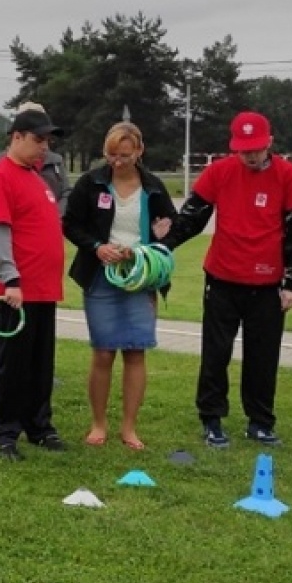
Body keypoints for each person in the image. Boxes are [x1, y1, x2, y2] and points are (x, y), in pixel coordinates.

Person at [161, 112, 292, 448]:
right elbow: (192, 218)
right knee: (216, 352)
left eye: (255, 149)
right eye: (244, 150)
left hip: (268, 282)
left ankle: (260, 421)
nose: (250, 155)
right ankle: (211, 419)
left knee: (263, 354)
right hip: (223, 277)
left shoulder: (288, 175)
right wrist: (162, 247)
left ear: (269, 143)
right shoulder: (220, 171)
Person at [63, 122, 176, 449]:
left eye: (124, 155)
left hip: (140, 279)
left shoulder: (153, 187)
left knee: (136, 351)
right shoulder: (91, 183)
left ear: (139, 151)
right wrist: (97, 246)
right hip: (100, 277)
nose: (117, 161)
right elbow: (70, 224)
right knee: (102, 351)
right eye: (111, 155)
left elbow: (170, 230)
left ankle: (129, 428)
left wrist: (145, 252)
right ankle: (99, 424)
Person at [0, 109, 67, 461]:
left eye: (47, 140)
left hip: (44, 288)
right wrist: (10, 279)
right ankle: (2, 433)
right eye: (38, 139)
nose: (44, 147)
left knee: (40, 364)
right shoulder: (0, 176)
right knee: (12, 365)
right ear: (16, 137)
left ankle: (38, 425)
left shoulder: (35, 177)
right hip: (16, 291)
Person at [17, 101, 68, 205]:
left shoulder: (55, 161)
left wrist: (56, 214)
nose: (44, 147)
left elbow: (66, 191)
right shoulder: (3, 166)